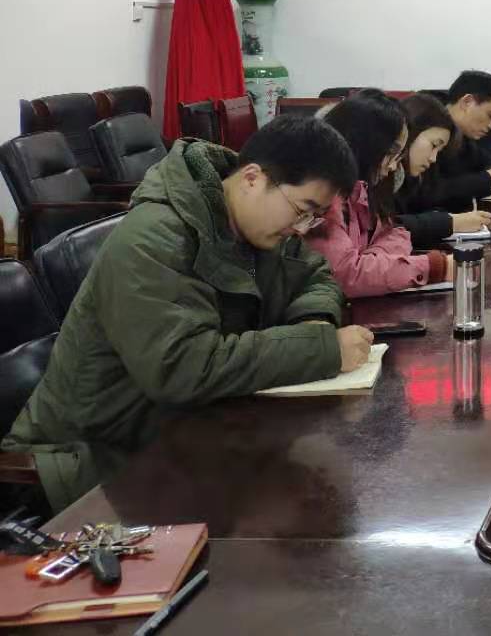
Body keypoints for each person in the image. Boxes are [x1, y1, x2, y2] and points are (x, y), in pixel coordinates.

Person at [2, 115, 374, 512]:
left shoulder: (252, 224)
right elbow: (182, 366)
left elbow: (314, 275)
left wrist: (313, 323)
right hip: (89, 467)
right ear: (252, 178)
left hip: (185, 436)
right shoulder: (154, 238)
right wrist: (318, 349)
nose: (301, 228)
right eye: (302, 210)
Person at [305, 90, 451, 298]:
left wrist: (372, 260)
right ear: (365, 145)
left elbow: (395, 233)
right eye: (391, 154)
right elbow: (344, 276)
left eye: (398, 156)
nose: (393, 166)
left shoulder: (368, 188)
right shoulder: (323, 197)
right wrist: (436, 267)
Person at [393, 92, 491, 247]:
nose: (433, 158)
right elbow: (385, 230)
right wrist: (450, 223)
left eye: (439, 151)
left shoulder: (411, 177)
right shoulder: (380, 174)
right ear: (409, 132)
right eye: (433, 145)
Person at [421, 70, 491, 211]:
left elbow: (486, 161)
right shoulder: (423, 124)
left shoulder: (463, 135)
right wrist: (485, 180)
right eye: (490, 115)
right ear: (467, 102)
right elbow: (425, 193)